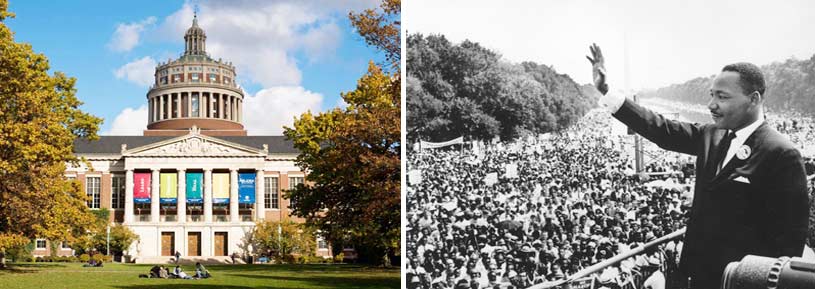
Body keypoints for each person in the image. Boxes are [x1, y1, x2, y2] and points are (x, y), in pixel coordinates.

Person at [587, 44, 808, 289]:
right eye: (711, 95)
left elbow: (788, 244)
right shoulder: (711, 134)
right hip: (694, 274)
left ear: (753, 99)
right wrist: (607, 91)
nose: (711, 104)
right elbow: (661, 129)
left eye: (722, 97)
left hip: (736, 281)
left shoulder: (781, 153)